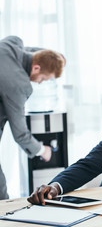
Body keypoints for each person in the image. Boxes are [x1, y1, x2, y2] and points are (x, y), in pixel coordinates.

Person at [0, 36, 65, 200]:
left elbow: (30, 53)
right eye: (43, 78)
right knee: (1, 193)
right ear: (36, 68)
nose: (41, 83)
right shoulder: (19, 85)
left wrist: (55, 57)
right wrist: (43, 150)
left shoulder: (10, 44)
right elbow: (21, 134)